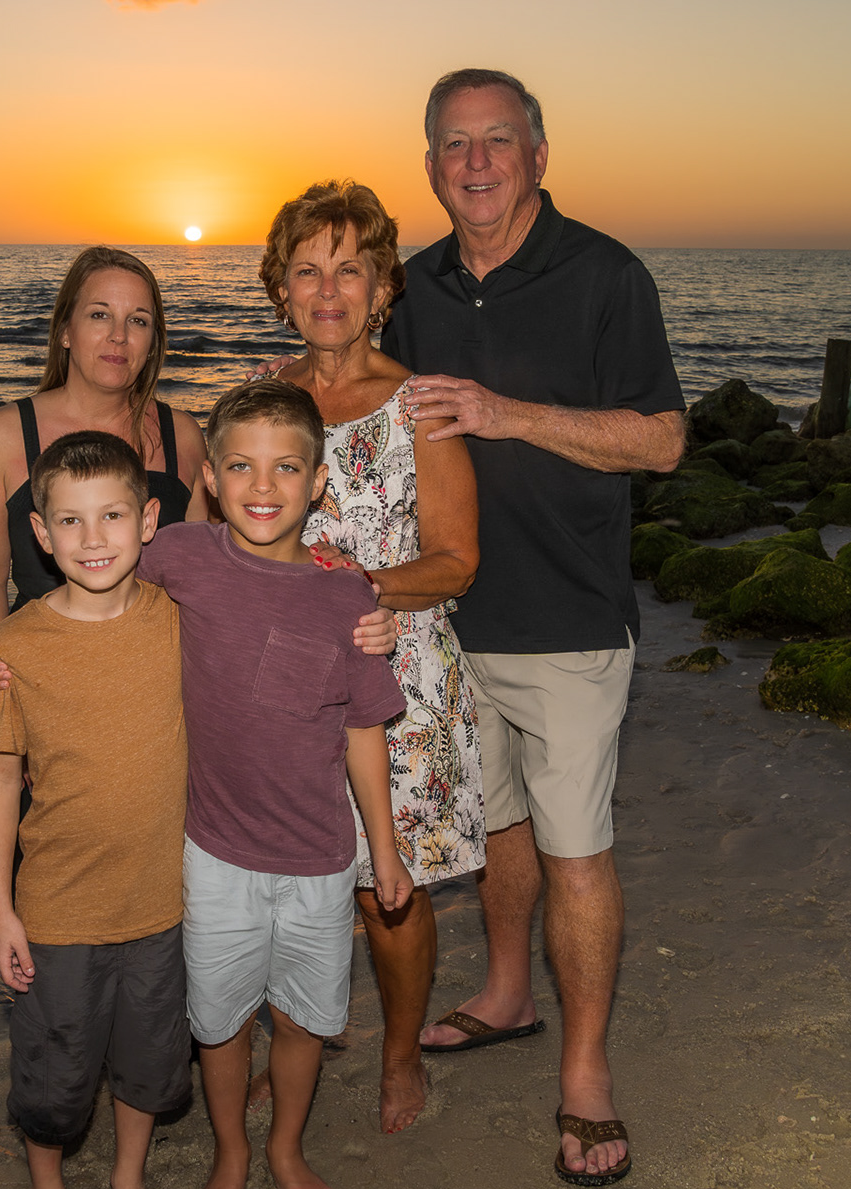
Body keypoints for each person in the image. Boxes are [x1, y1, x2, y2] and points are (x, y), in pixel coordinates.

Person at [390, 70, 687, 1187]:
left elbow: (662, 441)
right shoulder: (410, 286)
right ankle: (507, 991)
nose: (475, 162)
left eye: (497, 141)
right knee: (499, 827)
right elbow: (365, 393)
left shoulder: (606, 274)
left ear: (539, 153)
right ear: (430, 166)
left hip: (567, 621)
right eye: (454, 144)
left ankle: (587, 1071)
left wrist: (503, 413)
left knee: (574, 850)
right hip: (447, 620)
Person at [138, 379, 412, 1189]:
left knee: (303, 1019)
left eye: (287, 467)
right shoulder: (180, 554)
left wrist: (388, 851)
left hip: (321, 861)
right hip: (213, 851)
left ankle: (287, 1147)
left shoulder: (347, 601)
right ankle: (231, 1155)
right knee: (219, 1024)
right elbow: (93, 580)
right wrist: (9, 651)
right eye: (243, 466)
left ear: (319, 482)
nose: (265, 485)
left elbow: (364, 732)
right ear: (211, 478)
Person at [255, 179, 484, 1136]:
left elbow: (458, 560)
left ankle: (399, 1052)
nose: (330, 289)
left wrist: (359, 584)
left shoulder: (418, 408)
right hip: (284, 690)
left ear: (383, 286)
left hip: (401, 684)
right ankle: (292, 1044)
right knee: (287, 884)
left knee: (392, 894)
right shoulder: (260, 404)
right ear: (281, 291)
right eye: (308, 270)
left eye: (350, 269)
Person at [0, 432, 190, 1189]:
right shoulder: (16, 649)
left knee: (148, 1058)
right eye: (71, 521)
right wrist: (1, 907)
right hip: (59, 906)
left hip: (165, 899)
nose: (93, 538)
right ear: (40, 532)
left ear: (148, 522)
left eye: (111, 516)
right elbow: (0, 781)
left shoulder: (178, 618)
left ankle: (128, 1179)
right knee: (54, 1073)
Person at [0, 246, 209, 652]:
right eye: (99, 314)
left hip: (161, 678)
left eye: (138, 321)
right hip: (47, 677)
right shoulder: (1, 436)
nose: (119, 335)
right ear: (64, 330)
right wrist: (3, 670)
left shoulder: (181, 436)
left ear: (152, 341)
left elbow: (203, 576)